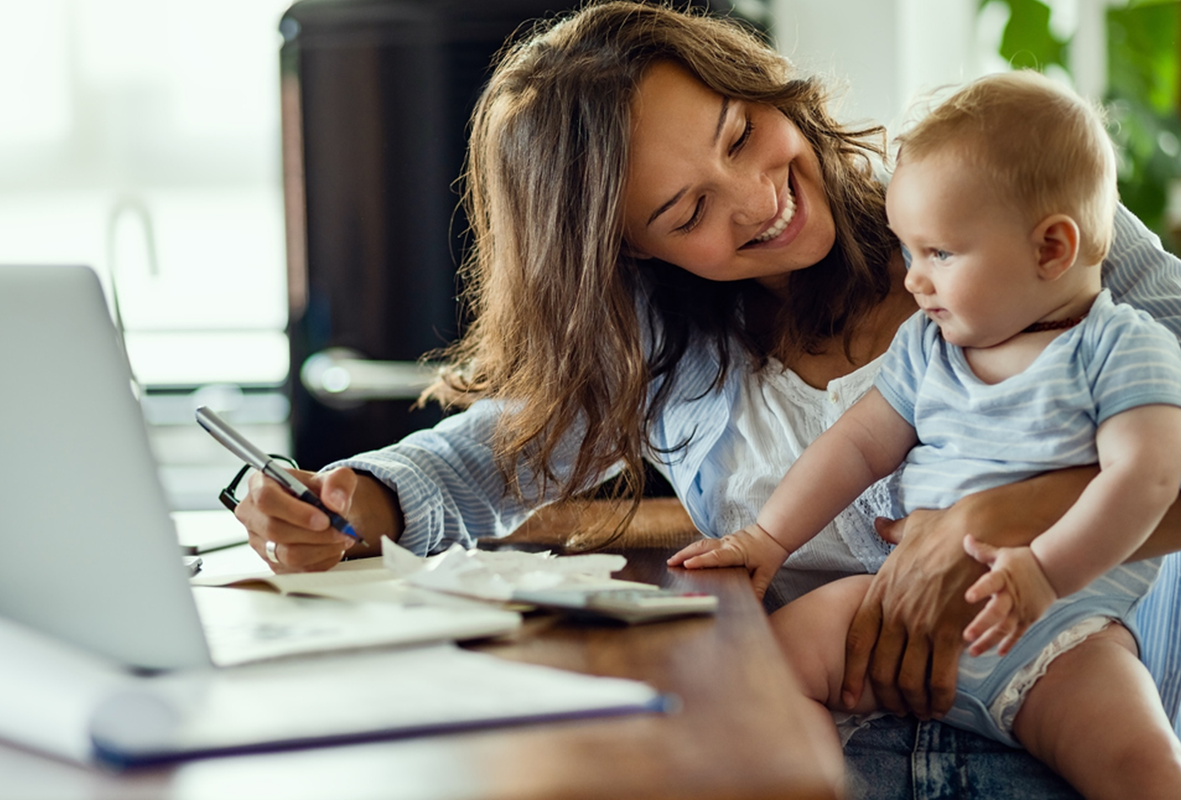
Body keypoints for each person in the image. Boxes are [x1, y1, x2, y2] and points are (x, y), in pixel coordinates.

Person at [230, 2, 1181, 796]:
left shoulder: (998, 211)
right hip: (837, 746)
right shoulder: (658, 338)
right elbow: (478, 459)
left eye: (741, 134)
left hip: (1066, 718)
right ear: (633, 249)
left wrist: (988, 516)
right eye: (686, 212)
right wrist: (354, 500)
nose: (757, 198)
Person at [669, 70, 1181, 798]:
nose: (912, 279)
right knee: (756, 674)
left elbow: (1149, 478)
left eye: (938, 253)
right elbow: (855, 446)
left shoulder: (1121, 349)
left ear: (1051, 250)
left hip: (1064, 635)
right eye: (909, 252)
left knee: (1146, 766)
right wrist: (768, 538)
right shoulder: (928, 348)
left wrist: (1044, 574)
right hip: (894, 606)